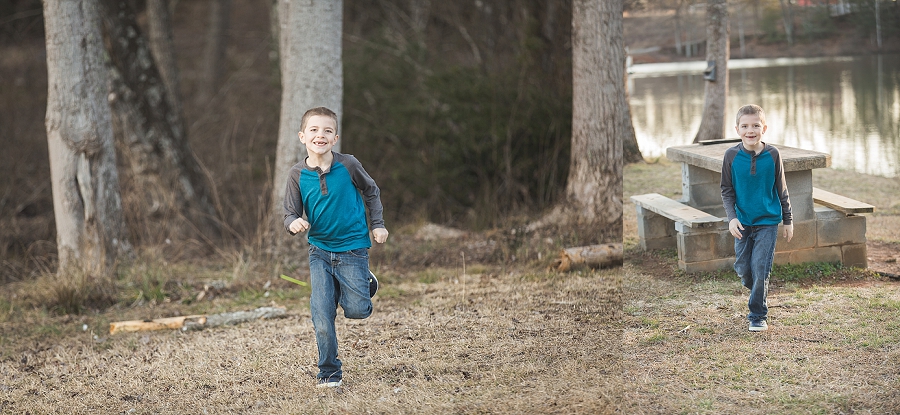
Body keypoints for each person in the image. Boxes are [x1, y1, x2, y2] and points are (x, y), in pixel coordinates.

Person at [282, 106, 389, 388]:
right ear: (302, 136)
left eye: (327, 130)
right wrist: (293, 223)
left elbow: (371, 191)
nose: (321, 135)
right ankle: (329, 372)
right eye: (314, 130)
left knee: (357, 311)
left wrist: (377, 224)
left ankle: (364, 285)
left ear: (336, 137)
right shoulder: (296, 174)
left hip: (353, 248)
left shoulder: (349, 165)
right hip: (319, 251)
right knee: (322, 312)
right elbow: (289, 213)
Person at [720, 104, 793, 332]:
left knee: (760, 268)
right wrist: (731, 218)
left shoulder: (773, 155)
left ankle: (757, 315)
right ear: (737, 129)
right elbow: (726, 190)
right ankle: (757, 289)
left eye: (755, 126)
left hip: (767, 222)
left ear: (764, 128)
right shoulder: (731, 156)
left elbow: (782, 189)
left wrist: (788, 220)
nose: (750, 130)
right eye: (745, 126)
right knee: (744, 269)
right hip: (742, 223)